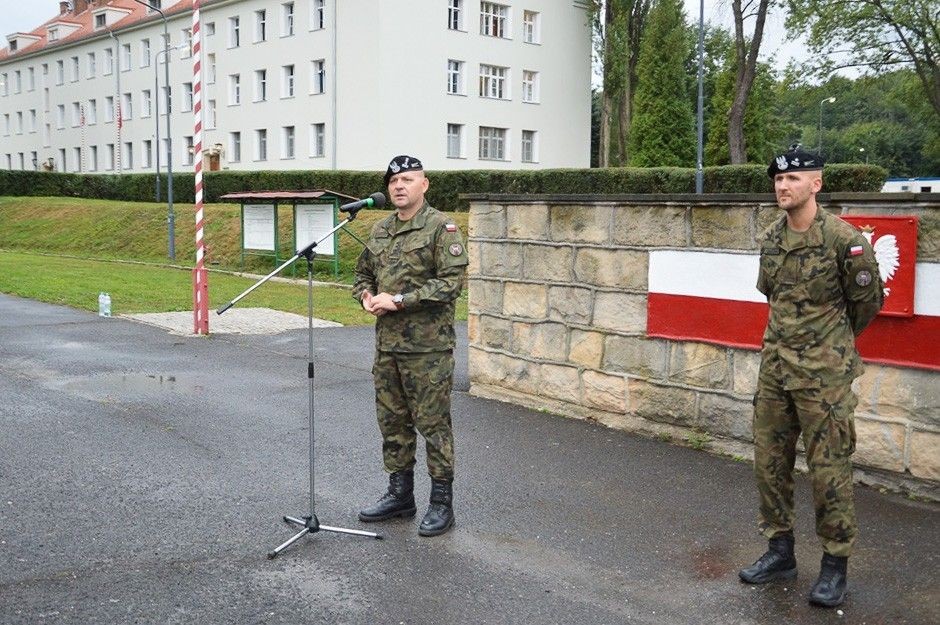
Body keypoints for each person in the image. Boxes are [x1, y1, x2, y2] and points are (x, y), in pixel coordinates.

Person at [738, 145, 883, 607]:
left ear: (816, 184)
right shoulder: (771, 239)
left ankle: (834, 566)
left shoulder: (846, 240)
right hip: (777, 371)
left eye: (794, 179)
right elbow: (772, 297)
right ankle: (779, 552)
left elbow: (867, 304)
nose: (783, 186)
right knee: (770, 464)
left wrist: (829, 347)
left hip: (825, 379)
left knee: (829, 471)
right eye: (778, 180)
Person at [352, 155, 468, 537]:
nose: (398, 186)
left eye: (406, 179)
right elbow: (363, 273)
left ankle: (441, 504)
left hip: (427, 351)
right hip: (388, 348)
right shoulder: (382, 230)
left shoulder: (441, 228)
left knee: (433, 426)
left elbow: (450, 284)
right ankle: (400, 495)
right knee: (393, 423)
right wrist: (367, 295)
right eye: (392, 181)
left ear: (424, 184)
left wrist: (399, 300)